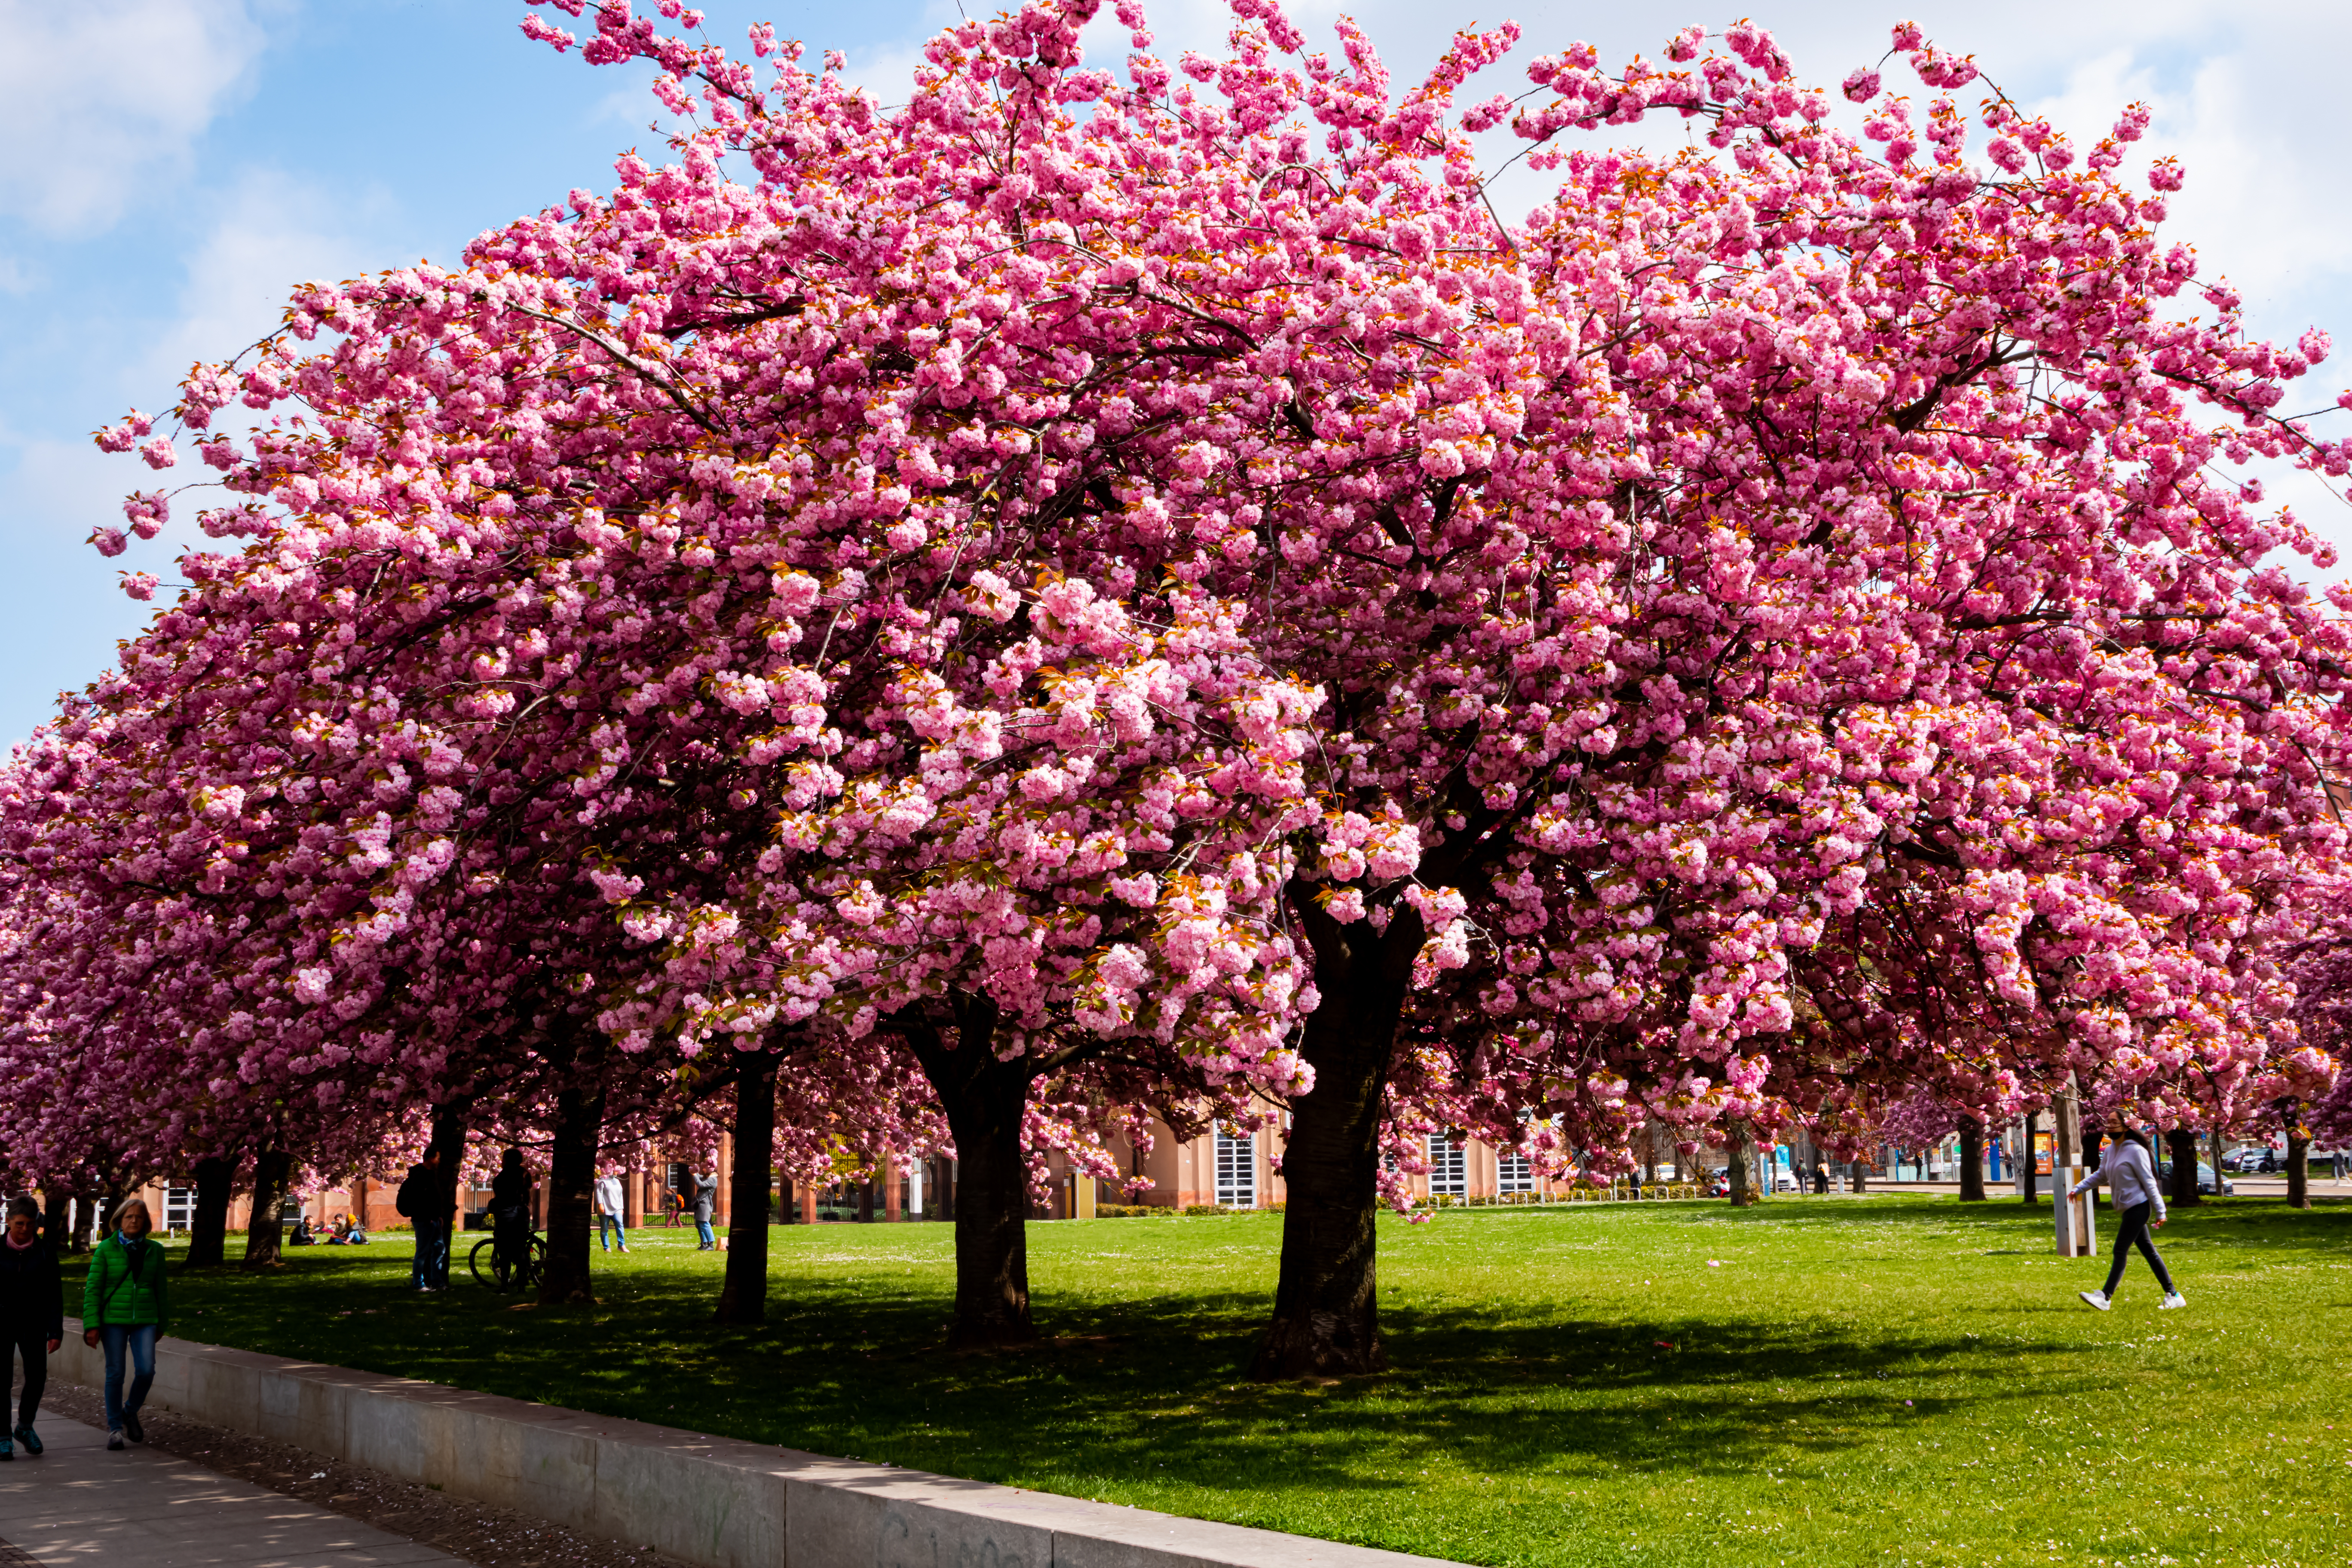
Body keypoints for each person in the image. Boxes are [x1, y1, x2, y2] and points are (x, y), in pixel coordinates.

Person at [83, 1196, 169, 1450]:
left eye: (139, 1217)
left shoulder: (155, 1250)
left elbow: (161, 1290)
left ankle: (129, 1411)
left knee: (146, 1370)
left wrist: (162, 1322)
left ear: (146, 1223)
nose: (134, 1220)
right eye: (129, 1216)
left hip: (145, 1318)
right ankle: (115, 1430)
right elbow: (93, 1289)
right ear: (119, 1220)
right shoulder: (106, 1249)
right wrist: (91, 1324)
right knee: (116, 1373)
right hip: (113, 1320)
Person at [2073, 1125, 2184, 1311]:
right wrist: (2079, 1188)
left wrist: (2161, 1211)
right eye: (2107, 1122)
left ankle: (2105, 1298)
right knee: (2149, 1252)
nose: (2110, 1126)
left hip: (2139, 1207)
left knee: (2120, 1249)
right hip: (2128, 1208)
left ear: (2125, 1127)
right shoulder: (2110, 1151)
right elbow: (2102, 1175)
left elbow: (2149, 1181)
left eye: (2114, 1123)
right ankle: (2174, 1295)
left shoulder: (2136, 1150)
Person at [0, 1197, 61, 1461]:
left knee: (36, 1378)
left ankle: (25, 1428)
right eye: (20, 1224)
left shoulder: (45, 1251)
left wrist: (56, 1330)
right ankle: (3, 1437)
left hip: (34, 1323)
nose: (25, 1229)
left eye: (31, 1224)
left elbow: (54, 1293)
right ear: (9, 1222)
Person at [395, 1147, 447, 1291]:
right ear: (431, 1159)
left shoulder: (431, 1174)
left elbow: (434, 1198)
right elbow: (418, 1199)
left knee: (439, 1250)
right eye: (438, 1158)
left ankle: (437, 1282)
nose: (439, 1161)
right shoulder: (420, 1176)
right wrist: (428, 1217)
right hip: (424, 1220)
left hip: (434, 1219)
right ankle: (418, 1284)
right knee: (423, 1252)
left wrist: (439, 1216)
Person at [490, 1149, 533, 1270]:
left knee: (505, 1251)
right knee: (520, 1248)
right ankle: (521, 1284)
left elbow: (501, 1196)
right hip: (522, 1214)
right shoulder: (524, 1174)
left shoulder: (504, 1176)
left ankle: (504, 1285)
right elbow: (526, 1196)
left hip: (506, 1215)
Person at [593, 1170, 629, 1253]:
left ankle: (621, 1245)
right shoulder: (602, 1180)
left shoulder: (617, 1181)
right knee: (604, 1229)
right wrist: (600, 1204)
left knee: (620, 1225)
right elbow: (599, 1193)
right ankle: (607, 1247)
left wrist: (621, 1207)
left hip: (617, 1208)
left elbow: (621, 1195)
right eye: (615, 1170)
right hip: (605, 1208)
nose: (617, 1172)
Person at [692, 1167, 718, 1250]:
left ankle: (711, 1245)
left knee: (704, 1223)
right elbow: (700, 1177)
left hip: (705, 1204)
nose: (703, 1169)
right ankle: (703, 1244)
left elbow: (701, 1184)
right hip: (701, 1204)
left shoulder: (713, 1179)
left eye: (705, 1168)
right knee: (699, 1224)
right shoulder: (708, 1178)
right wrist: (695, 1172)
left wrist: (694, 1175)